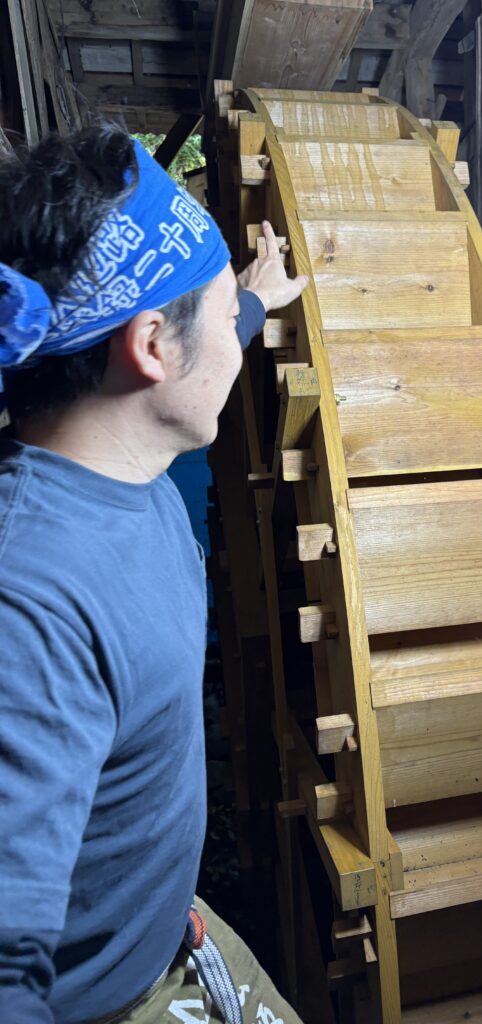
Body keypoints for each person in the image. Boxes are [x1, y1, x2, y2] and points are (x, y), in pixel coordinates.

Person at [0, 123, 308, 1023]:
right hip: (115, 1003)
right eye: (218, 317)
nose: (235, 333)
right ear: (150, 349)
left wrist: (248, 301)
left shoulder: (116, 464)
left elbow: (213, 325)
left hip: (176, 930)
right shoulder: (33, 608)